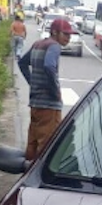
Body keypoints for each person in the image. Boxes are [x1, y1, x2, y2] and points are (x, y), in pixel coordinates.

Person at [18, 19, 77, 161]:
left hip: (35, 103)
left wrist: (32, 83)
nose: (68, 38)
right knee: (48, 145)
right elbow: (49, 66)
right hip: (49, 105)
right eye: (65, 34)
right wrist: (55, 90)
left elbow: (22, 63)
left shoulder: (38, 44)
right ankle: (38, 178)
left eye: (70, 35)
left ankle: (27, 172)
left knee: (33, 142)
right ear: (55, 32)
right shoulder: (54, 46)